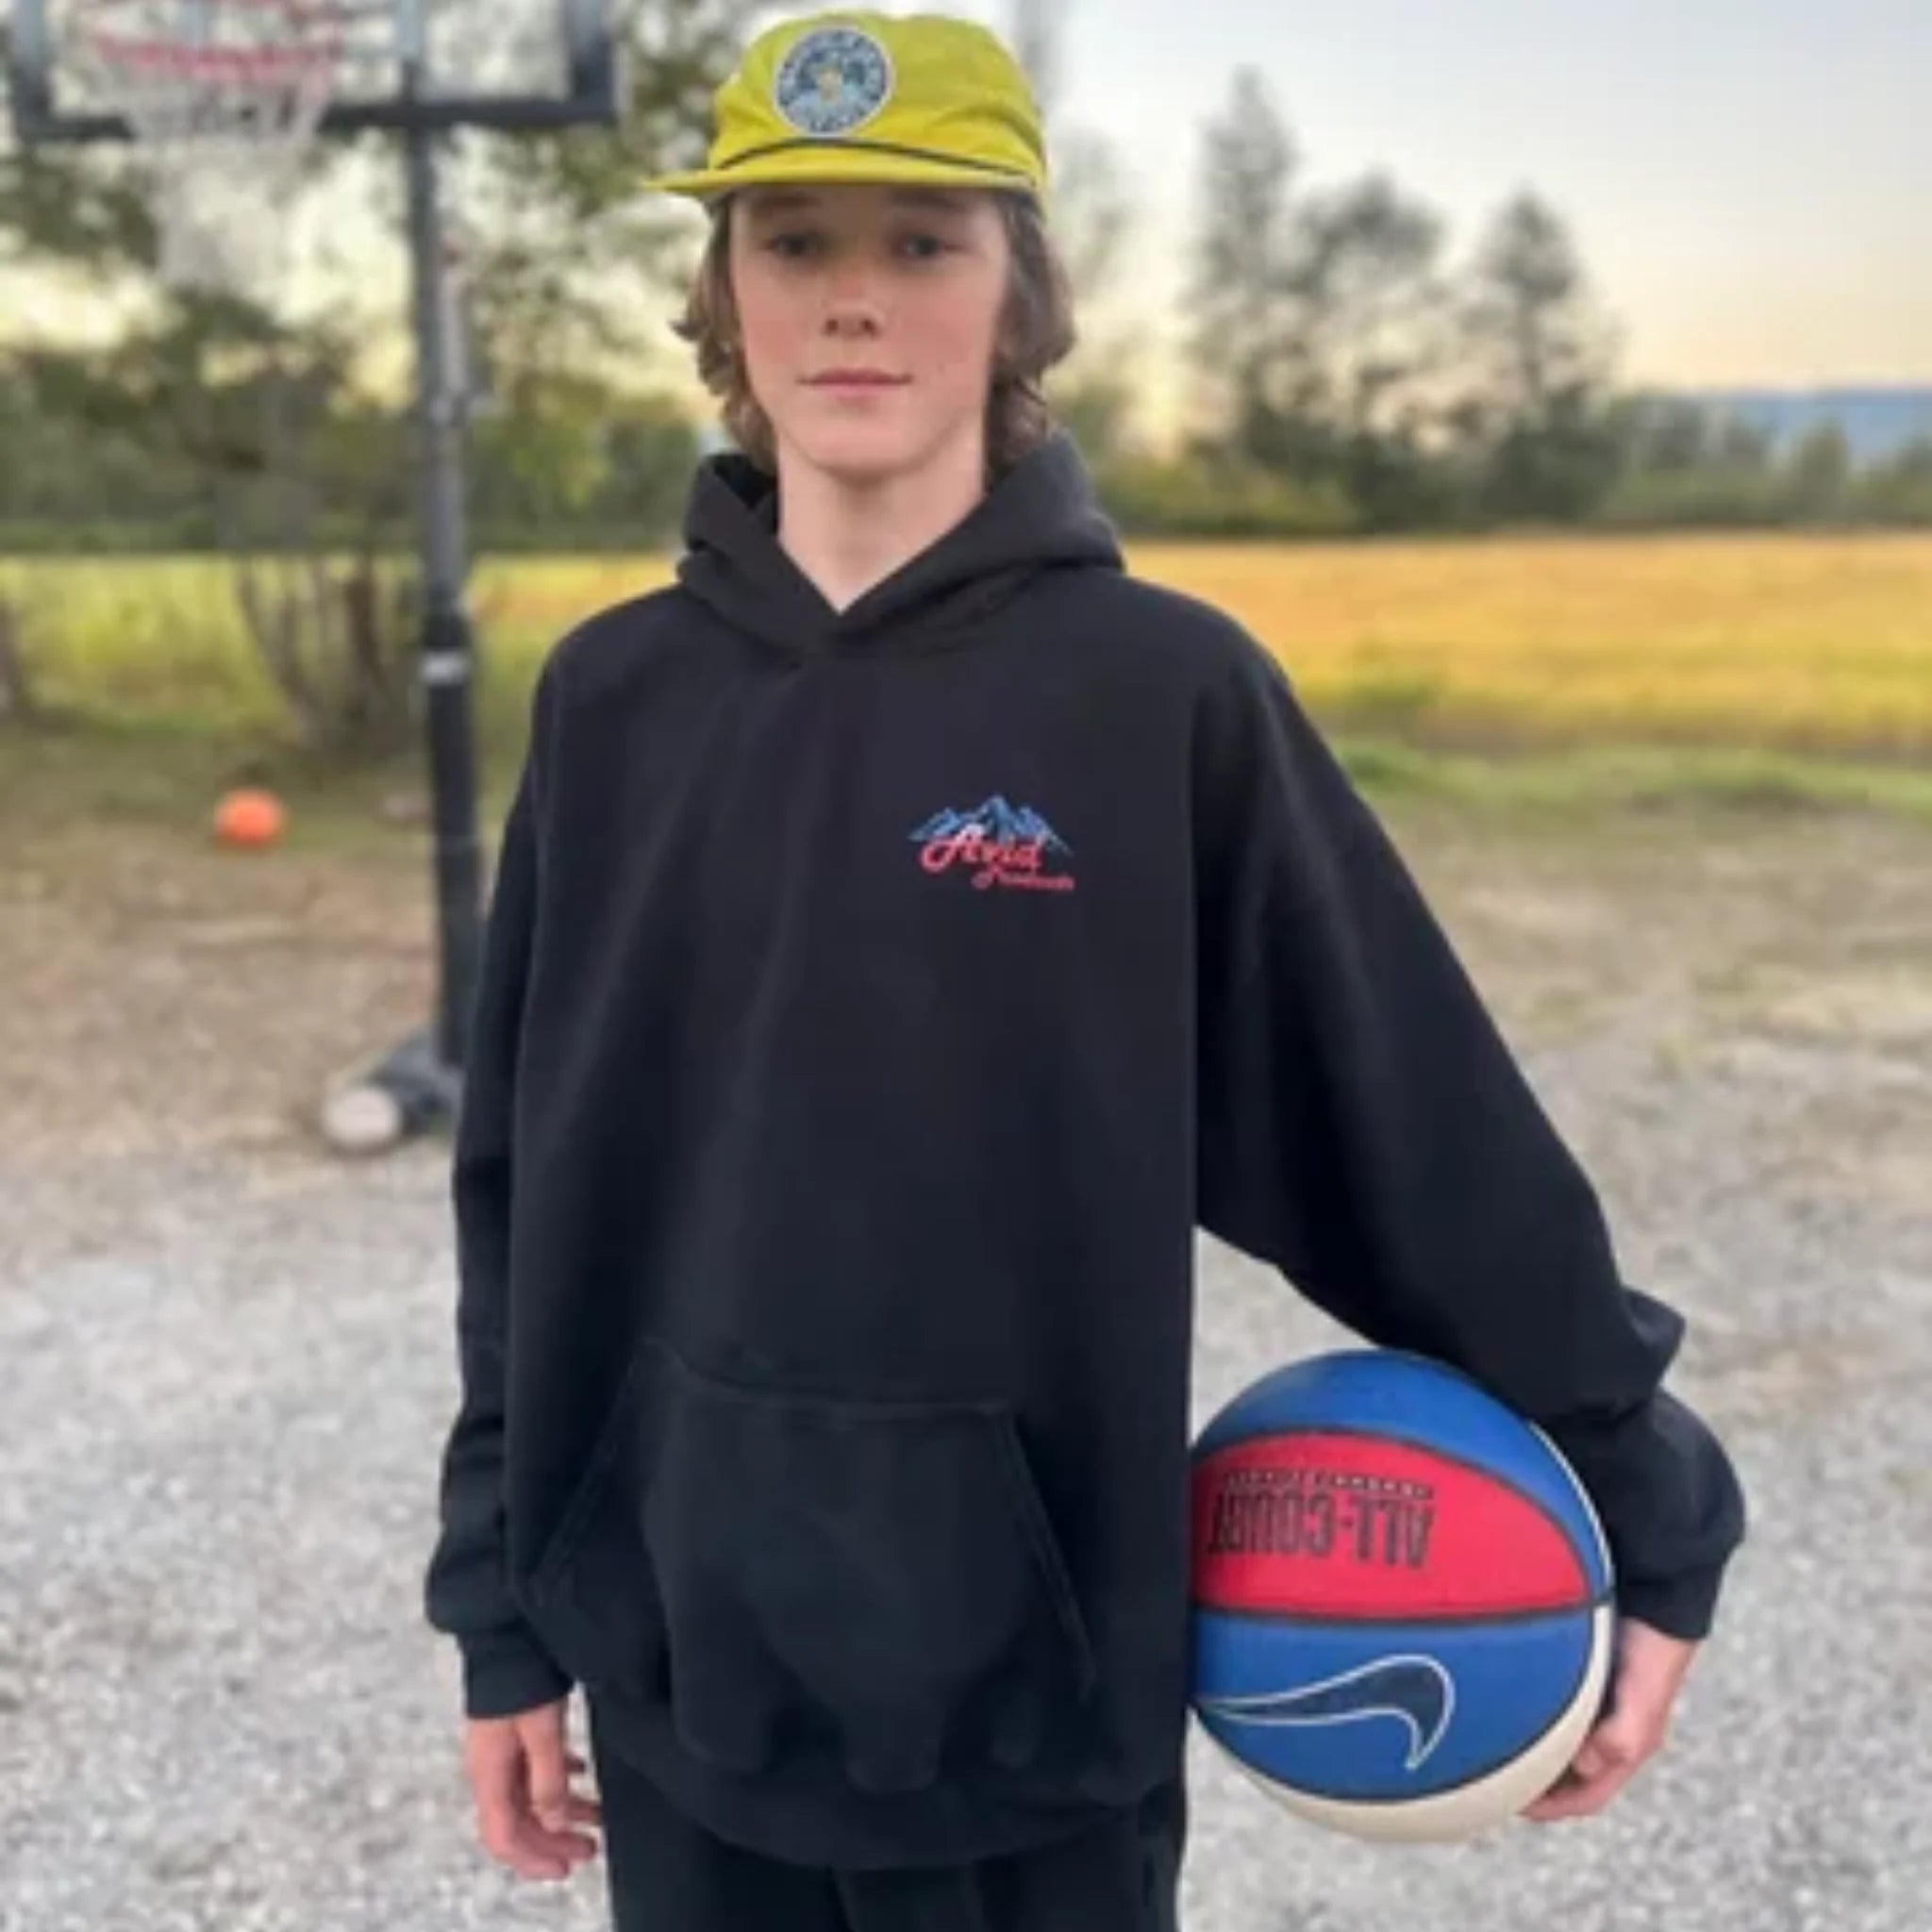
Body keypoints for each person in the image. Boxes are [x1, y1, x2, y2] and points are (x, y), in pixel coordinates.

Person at [422, 12, 1747, 1929]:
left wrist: (1643, 1485)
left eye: (921, 241)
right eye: (794, 240)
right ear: (724, 291)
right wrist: (500, 1607)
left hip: (1034, 1710)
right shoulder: (612, 701)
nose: (853, 298)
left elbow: (1401, 1126)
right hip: (684, 1683)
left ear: (1018, 291)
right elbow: (529, 1196)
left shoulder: (1159, 696)